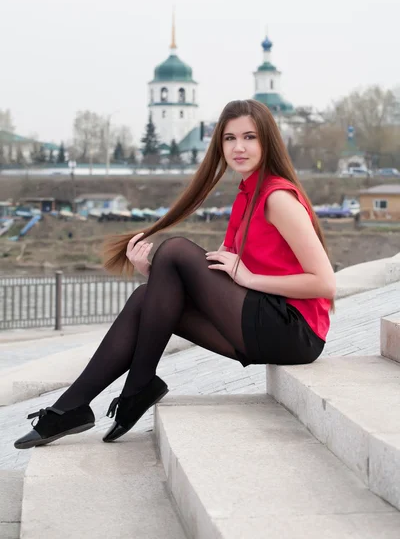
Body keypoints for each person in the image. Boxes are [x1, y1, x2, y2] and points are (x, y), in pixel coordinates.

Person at [14, 99, 335, 450]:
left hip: (294, 330)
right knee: (145, 296)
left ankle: (137, 388)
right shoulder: (248, 194)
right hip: (262, 316)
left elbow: (324, 283)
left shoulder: (277, 198)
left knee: (177, 249)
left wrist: (249, 279)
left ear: (268, 141)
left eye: (250, 137)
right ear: (219, 144)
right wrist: (154, 273)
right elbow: (215, 277)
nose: (238, 147)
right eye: (229, 138)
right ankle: (71, 408)